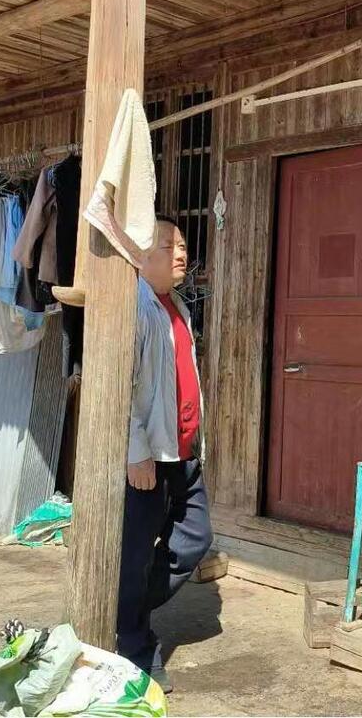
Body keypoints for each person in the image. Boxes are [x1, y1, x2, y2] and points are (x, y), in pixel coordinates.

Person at [116, 217, 212, 693]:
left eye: (183, 245)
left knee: (195, 536)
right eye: (168, 245)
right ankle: (134, 647)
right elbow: (124, 384)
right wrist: (136, 452)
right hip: (150, 454)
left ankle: (120, 607)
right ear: (140, 253)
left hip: (183, 450)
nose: (180, 252)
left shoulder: (177, 306)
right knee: (136, 554)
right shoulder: (134, 305)